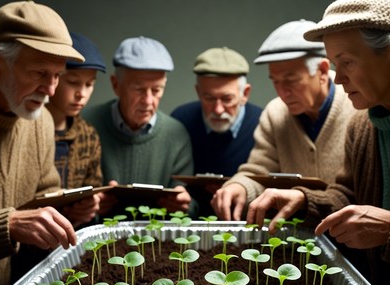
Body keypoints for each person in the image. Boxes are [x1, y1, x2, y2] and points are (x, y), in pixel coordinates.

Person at [244, 0, 390, 285]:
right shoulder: (363, 127)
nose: (338, 78)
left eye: (347, 61)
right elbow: (347, 196)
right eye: (335, 65)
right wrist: (303, 199)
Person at [0, 1, 100, 285]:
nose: (51, 90)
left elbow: (42, 198)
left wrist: (68, 214)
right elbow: (16, 222)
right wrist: (7, 224)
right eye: (40, 73)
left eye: (57, 75)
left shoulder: (40, 124)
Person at [211, 19, 356, 221]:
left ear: (322, 71)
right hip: (298, 239)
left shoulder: (357, 105)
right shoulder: (275, 112)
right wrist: (240, 186)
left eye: (291, 80)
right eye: (276, 81)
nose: (282, 92)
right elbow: (259, 171)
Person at [83, 36, 194, 217]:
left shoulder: (176, 134)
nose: (148, 101)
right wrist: (89, 209)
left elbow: (190, 206)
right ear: (115, 85)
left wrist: (184, 206)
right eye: (139, 89)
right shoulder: (86, 125)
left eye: (157, 90)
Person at [171, 47, 262, 217]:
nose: (218, 110)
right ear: (198, 92)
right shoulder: (180, 120)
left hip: (243, 222)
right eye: (209, 98)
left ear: (245, 94)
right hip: (189, 222)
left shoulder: (263, 123)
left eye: (227, 99)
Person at [46, 32, 105, 192]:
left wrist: (91, 205)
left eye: (89, 84)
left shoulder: (88, 135)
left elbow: (94, 188)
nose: (82, 94)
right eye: (73, 82)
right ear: (54, 77)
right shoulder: (28, 131)